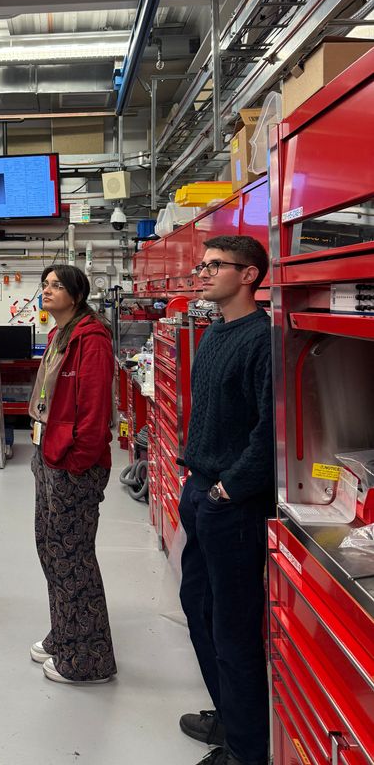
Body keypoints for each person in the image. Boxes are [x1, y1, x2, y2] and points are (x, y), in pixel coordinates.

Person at [178, 235, 274, 765]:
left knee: (235, 628)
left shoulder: (261, 338)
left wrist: (227, 488)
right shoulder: (216, 333)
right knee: (199, 607)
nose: (205, 271)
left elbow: (268, 431)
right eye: (204, 262)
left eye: (216, 265)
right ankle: (229, 714)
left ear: (249, 275)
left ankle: (246, 749)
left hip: (231, 503)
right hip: (200, 489)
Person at [28, 264, 117, 684]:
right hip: (48, 456)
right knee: (51, 548)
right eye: (45, 284)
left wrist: (76, 463)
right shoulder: (59, 335)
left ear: (77, 295)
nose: (47, 290)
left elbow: (95, 412)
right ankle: (66, 634)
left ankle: (89, 661)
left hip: (72, 465)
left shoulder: (92, 340)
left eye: (56, 285)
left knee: (73, 557)